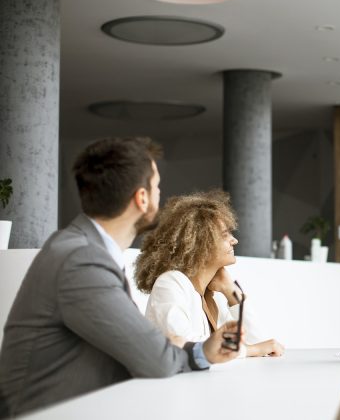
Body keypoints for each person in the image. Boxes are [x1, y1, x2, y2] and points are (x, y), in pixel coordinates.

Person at [0, 138, 239, 417]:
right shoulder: (82, 260)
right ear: (142, 198)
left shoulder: (80, 248)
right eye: (157, 186)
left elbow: (143, 343)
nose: (160, 195)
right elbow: (156, 359)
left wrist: (187, 348)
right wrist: (198, 353)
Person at [134, 190, 284, 358]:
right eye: (225, 235)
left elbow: (263, 344)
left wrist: (231, 291)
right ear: (200, 242)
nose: (234, 240)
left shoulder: (214, 296)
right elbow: (185, 346)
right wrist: (251, 350)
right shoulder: (170, 283)